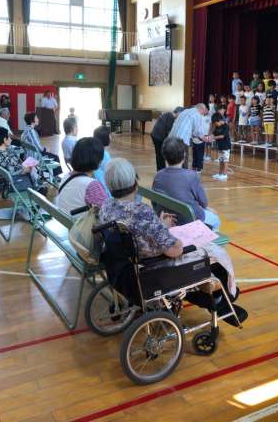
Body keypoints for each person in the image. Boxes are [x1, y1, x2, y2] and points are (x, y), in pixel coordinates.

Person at [100, 158, 247, 322]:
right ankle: (220, 298)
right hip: (153, 267)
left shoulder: (106, 206)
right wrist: (172, 234)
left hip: (126, 266)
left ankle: (211, 297)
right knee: (215, 256)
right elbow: (174, 250)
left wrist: (160, 226)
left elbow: (138, 233)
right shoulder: (141, 212)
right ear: (135, 182)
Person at [153, 137, 220, 228]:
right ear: (184, 155)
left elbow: (154, 202)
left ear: (164, 156)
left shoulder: (158, 175)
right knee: (216, 219)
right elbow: (204, 203)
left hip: (167, 218)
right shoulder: (191, 176)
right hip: (189, 220)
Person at [57, 137, 108, 216]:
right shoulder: (91, 185)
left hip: (64, 220)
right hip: (79, 223)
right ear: (98, 161)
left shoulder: (66, 177)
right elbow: (107, 212)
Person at [0, 127, 46, 198]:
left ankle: (38, 187)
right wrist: (28, 168)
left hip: (2, 183)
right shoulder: (6, 156)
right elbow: (18, 172)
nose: (11, 139)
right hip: (13, 184)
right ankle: (38, 190)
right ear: (4, 140)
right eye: (9, 137)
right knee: (33, 171)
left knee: (32, 170)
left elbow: (13, 169)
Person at [168, 104, 209, 169]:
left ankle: (173, 173)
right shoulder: (197, 114)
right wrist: (203, 138)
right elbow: (197, 131)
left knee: (173, 159)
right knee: (183, 159)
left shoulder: (185, 111)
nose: (203, 114)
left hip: (171, 138)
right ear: (202, 109)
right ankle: (183, 174)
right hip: (182, 139)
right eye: (203, 112)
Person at [151, 107, 183, 171]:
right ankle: (161, 170)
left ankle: (161, 169)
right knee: (160, 155)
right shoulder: (170, 117)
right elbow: (169, 131)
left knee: (159, 155)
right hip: (158, 137)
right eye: (181, 115)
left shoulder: (168, 114)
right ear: (178, 113)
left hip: (156, 135)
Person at [211, 109, 231, 181]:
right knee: (221, 160)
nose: (215, 124)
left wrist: (213, 138)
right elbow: (214, 133)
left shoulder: (226, 126)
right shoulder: (217, 126)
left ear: (219, 120)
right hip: (220, 146)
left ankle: (224, 174)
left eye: (216, 122)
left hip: (226, 146)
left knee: (225, 160)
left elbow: (222, 136)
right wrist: (210, 137)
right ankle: (220, 173)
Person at [93, 125, 112, 194]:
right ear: (105, 137)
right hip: (105, 190)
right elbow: (110, 174)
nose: (111, 137)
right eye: (109, 135)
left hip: (97, 187)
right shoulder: (105, 155)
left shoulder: (93, 151)